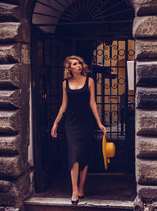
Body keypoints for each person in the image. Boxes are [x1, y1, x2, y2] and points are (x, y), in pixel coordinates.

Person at [51, 55, 106, 205]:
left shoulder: (89, 81)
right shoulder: (65, 84)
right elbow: (63, 105)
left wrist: (99, 122)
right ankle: (74, 190)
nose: (79, 66)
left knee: (84, 155)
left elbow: (93, 103)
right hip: (71, 123)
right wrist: (56, 123)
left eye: (80, 63)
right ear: (69, 68)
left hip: (86, 122)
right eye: (75, 64)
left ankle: (81, 187)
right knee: (74, 155)